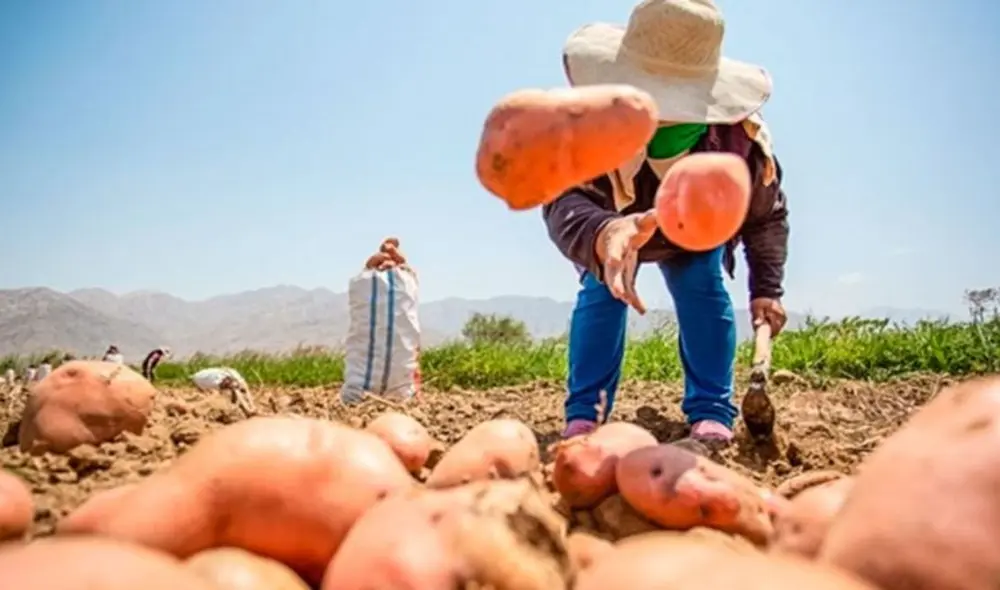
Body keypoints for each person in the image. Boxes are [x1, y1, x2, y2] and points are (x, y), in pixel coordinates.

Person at [543, 0, 790, 444]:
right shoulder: (588, 128)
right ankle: (586, 412)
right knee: (603, 291)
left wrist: (767, 289)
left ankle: (712, 408)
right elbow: (562, 199)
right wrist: (603, 232)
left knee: (701, 285)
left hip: (696, 230)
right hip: (613, 227)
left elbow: (766, 215)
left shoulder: (737, 144)